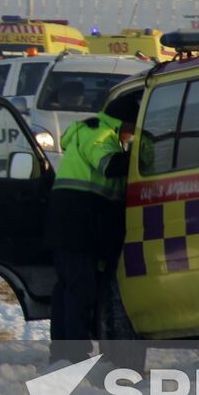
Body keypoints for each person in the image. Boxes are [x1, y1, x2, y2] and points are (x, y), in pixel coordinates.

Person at [44, 90, 138, 363]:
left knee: (69, 288)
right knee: (79, 288)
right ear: (124, 122)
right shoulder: (97, 132)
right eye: (132, 130)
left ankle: (63, 351)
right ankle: (72, 353)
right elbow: (108, 165)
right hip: (75, 223)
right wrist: (143, 154)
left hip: (77, 224)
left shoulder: (106, 134)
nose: (131, 137)